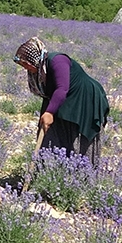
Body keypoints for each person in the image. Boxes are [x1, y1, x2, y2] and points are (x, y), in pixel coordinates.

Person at [13, 37, 109, 167]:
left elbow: (62, 88)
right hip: (63, 99)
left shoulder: (58, 61)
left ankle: (83, 175)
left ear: (33, 59)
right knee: (50, 133)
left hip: (84, 99)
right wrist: (47, 113)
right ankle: (51, 169)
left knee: (80, 137)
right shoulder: (39, 71)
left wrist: (50, 112)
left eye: (25, 64)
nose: (25, 68)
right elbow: (50, 94)